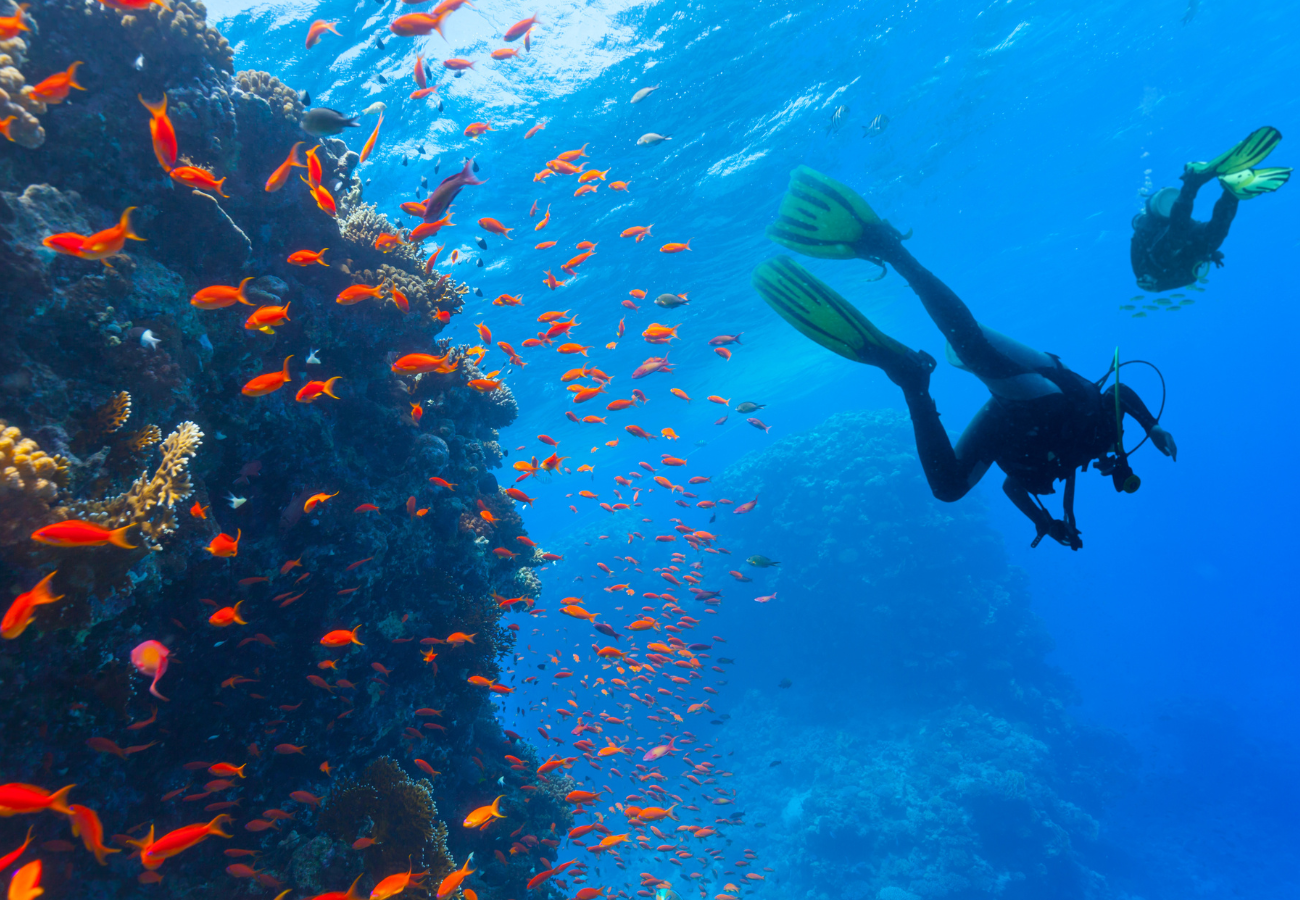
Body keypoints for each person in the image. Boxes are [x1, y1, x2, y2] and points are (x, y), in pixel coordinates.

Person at [754, 166, 1177, 550]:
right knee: (973, 349)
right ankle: (889, 248)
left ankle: (909, 377)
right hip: (1047, 387)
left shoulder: (1064, 469)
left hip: (1011, 417)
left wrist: (1045, 522)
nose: (1108, 470)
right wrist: (1152, 426)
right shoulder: (1108, 433)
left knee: (949, 488)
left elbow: (1013, 486)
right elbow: (1119, 388)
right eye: (1120, 474)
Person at [1130, 126, 1290, 293]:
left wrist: (1155, 284)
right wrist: (1210, 254)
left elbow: (1140, 270)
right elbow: (1190, 275)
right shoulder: (1148, 238)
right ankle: (1231, 195)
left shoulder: (1141, 236)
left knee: (1178, 239)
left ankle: (1193, 181)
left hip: (1173, 245)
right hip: (1191, 245)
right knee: (1215, 235)